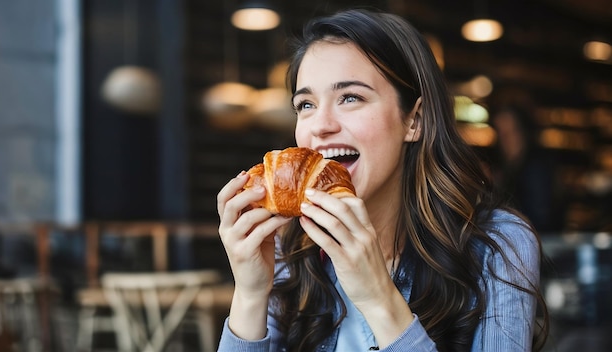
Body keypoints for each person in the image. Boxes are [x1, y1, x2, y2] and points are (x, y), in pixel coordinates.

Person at [216, 8, 549, 352]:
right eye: (306, 104)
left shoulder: (497, 245)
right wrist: (251, 295)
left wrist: (378, 298)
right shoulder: (291, 247)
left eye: (350, 98)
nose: (320, 125)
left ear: (414, 120)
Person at [490, 105, 562, 233]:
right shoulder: (508, 168)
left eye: (508, 133)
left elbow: (539, 219)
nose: (504, 140)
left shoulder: (535, 169)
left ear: (522, 132)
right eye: (500, 133)